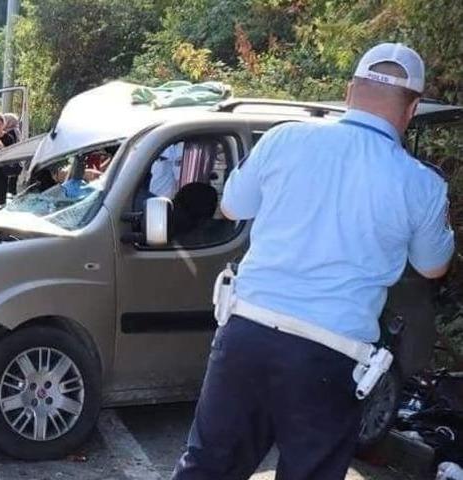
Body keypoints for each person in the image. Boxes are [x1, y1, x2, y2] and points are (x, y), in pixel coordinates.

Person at [172, 43, 454, 480]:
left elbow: (231, 206)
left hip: (247, 334)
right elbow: (433, 265)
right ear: (412, 108)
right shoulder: (421, 185)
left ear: (349, 92)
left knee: (207, 469)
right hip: (331, 356)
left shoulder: (287, 138)